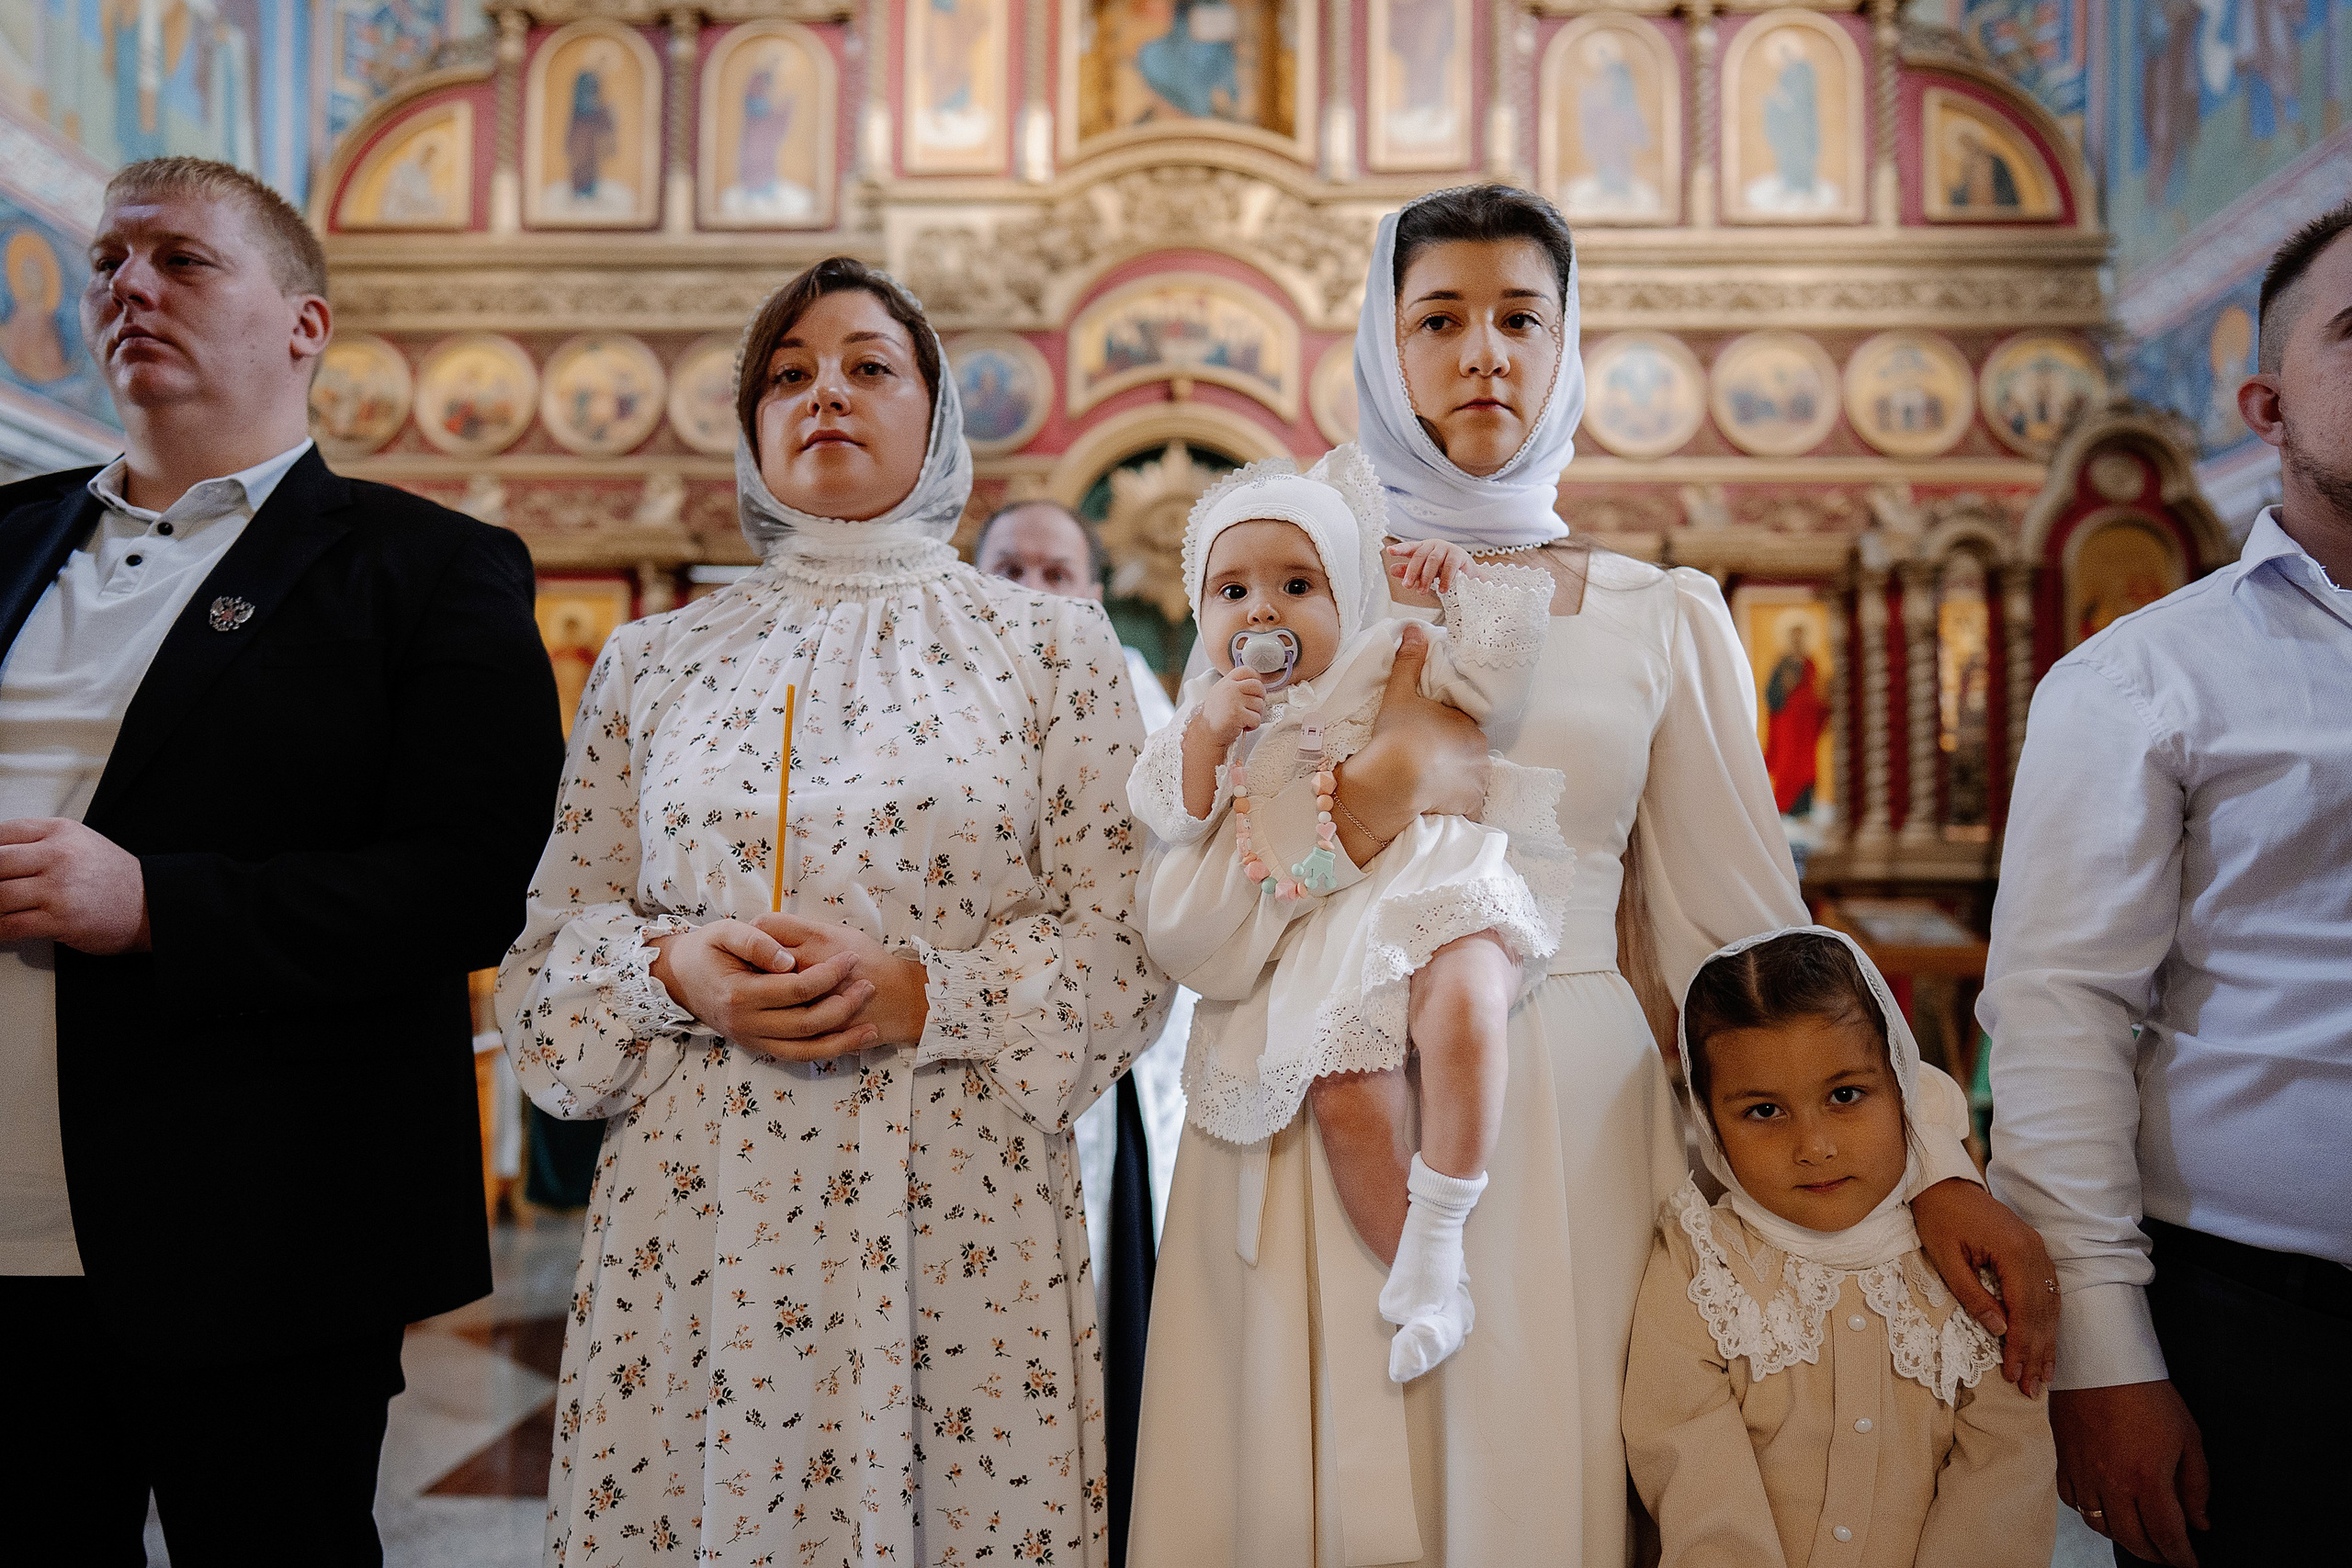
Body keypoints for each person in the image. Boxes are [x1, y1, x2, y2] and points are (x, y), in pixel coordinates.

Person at [1129, 184, 2056, 1568]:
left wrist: (1929, 1155)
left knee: (1530, 1477)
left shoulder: (1654, 616)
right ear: (1384, 347)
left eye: (1522, 318)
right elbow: (1196, 918)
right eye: (1438, 319)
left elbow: (1745, 938)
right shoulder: (1291, 588)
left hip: (1563, 1108)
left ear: (1570, 347)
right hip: (1296, 1089)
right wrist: (1370, 804)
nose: (1483, 353)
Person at [499, 257, 1170, 1565]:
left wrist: (925, 989)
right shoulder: (656, 658)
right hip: (699, 1211)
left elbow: (1127, 950)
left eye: (870, 365)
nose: (827, 393)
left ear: (936, 413)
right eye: (789, 373)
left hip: (957, 1197)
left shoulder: (1056, 650)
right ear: (751, 425)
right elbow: (546, 961)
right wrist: (671, 966)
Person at [0, 156, 560, 1563]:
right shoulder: (8, 536)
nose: (128, 284)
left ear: (304, 325)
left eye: (181, 260)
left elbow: (480, 876)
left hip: (256, 1233)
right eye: (109, 262)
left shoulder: (425, 568)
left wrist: (153, 904)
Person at [1981, 198, 2352, 1568]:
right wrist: (2104, 1354)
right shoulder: (2147, 679)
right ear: (2267, 401)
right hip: (2274, 1337)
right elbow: (2063, 1016)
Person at [1133, 449, 1567, 1382]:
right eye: (1232, 590)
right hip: (1331, 930)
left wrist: (1463, 591)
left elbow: (1495, 691)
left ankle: (1445, 1220)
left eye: (1297, 585)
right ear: (1201, 615)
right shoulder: (1212, 713)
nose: (1261, 610)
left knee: (1462, 1006)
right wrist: (1214, 726)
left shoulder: (1386, 655)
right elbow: (1176, 811)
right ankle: (1420, 1275)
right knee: (1346, 1094)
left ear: (1350, 596)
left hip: (1431, 881)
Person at [1625, 928, 2053, 1568]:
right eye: (1765, 1110)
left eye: (1845, 1095)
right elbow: (1689, 1460)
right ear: (1711, 1123)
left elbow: (2005, 1478)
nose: (1814, 1145)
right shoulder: (1700, 1266)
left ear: (1901, 1085)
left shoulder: (1966, 1270)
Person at [972, 493, 1191, 1565]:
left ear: (1096, 595)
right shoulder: (939, 703)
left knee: (1108, 1311)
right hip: (958, 1057)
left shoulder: (1141, 702)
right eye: (1011, 568)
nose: (1033, 592)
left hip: (1110, 1063)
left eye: (1059, 574)